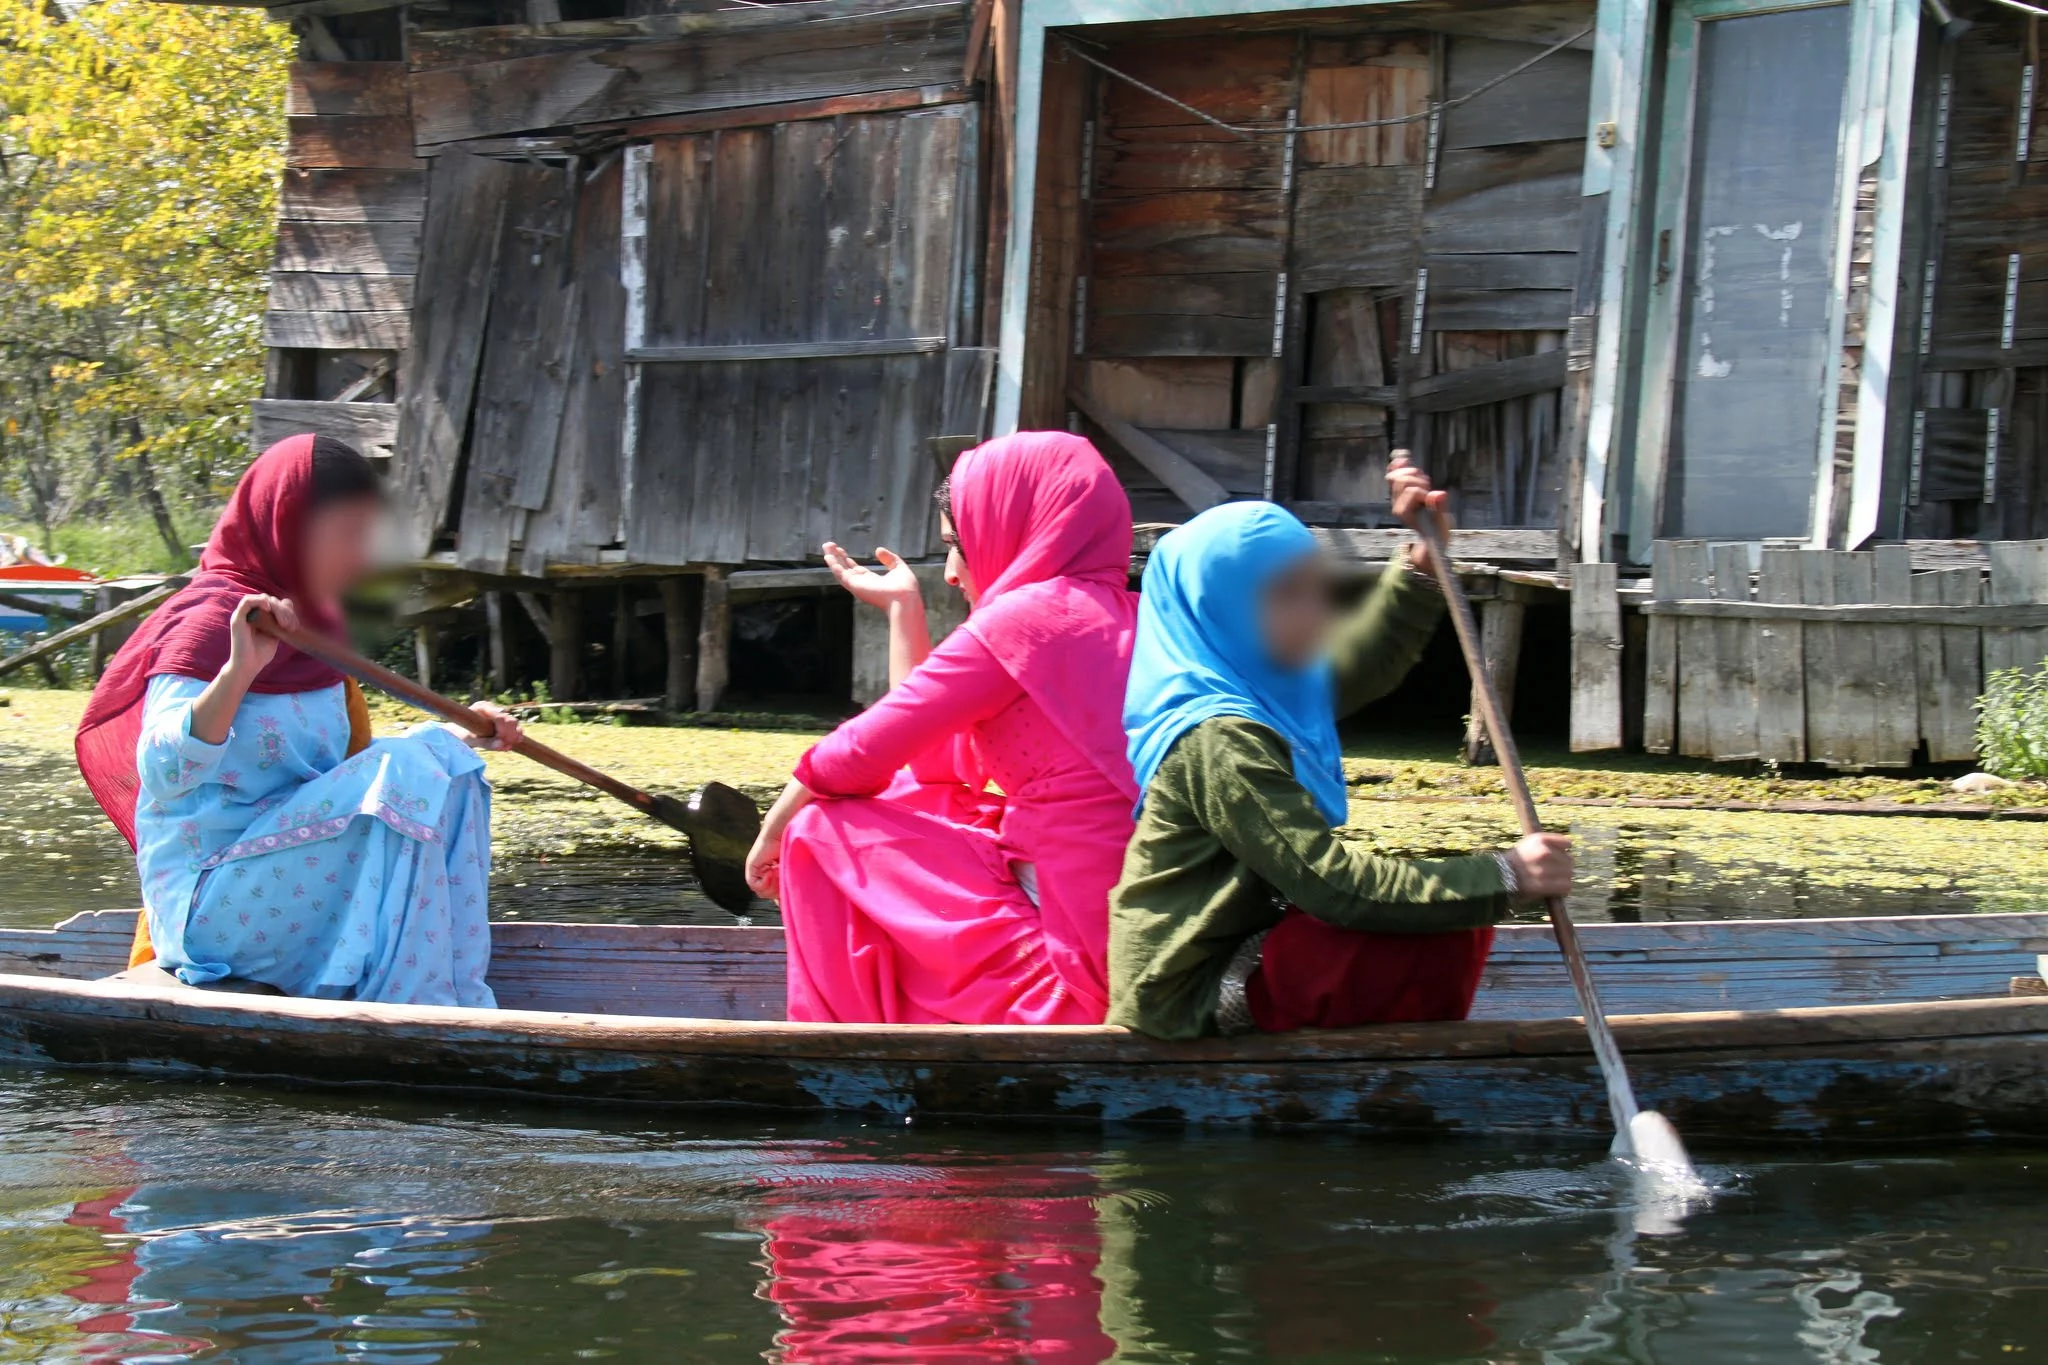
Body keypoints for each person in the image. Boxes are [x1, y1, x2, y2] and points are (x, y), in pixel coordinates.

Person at [1108, 456, 1573, 1039]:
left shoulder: (1267, 691)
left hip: (1246, 940)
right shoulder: (1218, 739)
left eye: (1318, 590)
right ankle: (1390, 1077)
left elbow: (1361, 665)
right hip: (1187, 992)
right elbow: (1328, 884)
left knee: (1444, 918)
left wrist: (1423, 566)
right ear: (1217, 608)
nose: (1317, 612)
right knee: (1442, 930)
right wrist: (1503, 878)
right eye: (1286, 595)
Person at [75, 435, 521, 1006]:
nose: (363, 558)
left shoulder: (316, 634)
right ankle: (414, 1010)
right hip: (211, 906)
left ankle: (441, 999)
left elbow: (349, 777)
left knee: (450, 771)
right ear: (288, 526)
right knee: (418, 762)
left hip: (291, 884)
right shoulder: (213, 623)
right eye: (348, 536)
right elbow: (163, 772)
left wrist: (462, 737)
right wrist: (238, 671)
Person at [744, 431, 1139, 1025]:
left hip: (1083, 970)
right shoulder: (1136, 613)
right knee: (931, 800)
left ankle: (846, 1052)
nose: (953, 573)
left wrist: (772, 830)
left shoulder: (1025, 620)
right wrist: (906, 608)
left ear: (1016, 526)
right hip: (1146, 944)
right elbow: (931, 764)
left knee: (819, 830)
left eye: (960, 544)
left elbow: (853, 758)